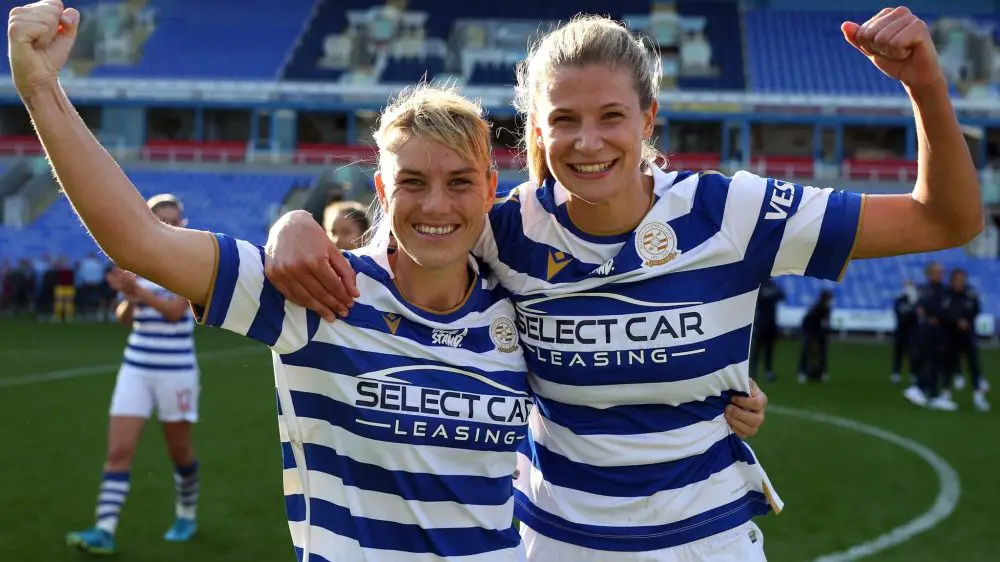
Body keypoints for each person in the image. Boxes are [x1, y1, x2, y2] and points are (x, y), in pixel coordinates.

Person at [262, 6, 983, 560]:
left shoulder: (730, 212)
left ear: (649, 120)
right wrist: (294, 225)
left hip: (708, 542)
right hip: (554, 543)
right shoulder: (507, 228)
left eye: (612, 117)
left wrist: (923, 82)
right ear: (537, 135)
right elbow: (410, 237)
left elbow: (945, 219)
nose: (589, 140)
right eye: (564, 121)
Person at [9, 7, 541, 558]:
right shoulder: (320, 290)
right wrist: (41, 87)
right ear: (381, 189)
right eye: (413, 181)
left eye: (459, 182)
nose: (436, 204)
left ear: (489, 188)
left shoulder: (526, 307)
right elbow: (140, 241)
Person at [65, 194, 202, 554]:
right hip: (137, 365)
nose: (169, 225)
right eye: (161, 219)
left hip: (176, 371)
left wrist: (136, 290)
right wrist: (128, 295)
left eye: (174, 219)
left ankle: (186, 513)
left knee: (180, 452)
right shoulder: (136, 264)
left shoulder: (190, 263)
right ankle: (104, 529)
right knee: (119, 449)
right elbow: (124, 318)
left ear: (183, 222)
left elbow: (175, 312)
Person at [904, 261, 957, 410]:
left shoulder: (942, 289)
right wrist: (936, 314)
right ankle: (920, 388)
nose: (941, 274)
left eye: (941, 272)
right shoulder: (927, 289)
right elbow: (926, 307)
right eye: (937, 272)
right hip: (928, 330)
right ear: (930, 273)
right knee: (930, 360)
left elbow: (940, 309)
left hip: (940, 329)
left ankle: (932, 393)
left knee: (937, 361)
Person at [942, 268, 989, 411]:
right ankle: (945, 395)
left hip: (968, 336)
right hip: (951, 335)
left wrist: (967, 320)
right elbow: (945, 312)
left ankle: (978, 397)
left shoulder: (970, 294)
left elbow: (975, 309)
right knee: (949, 366)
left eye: (962, 279)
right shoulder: (947, 294)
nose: (960, 282)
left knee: (974, 366)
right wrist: (957, 320)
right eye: (957, 279)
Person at [750, 278, 784, 382]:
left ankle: (768, 371)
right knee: (757, 349)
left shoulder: (770, 284)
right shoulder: (761, 284)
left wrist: (767, 296)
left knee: (768, 348)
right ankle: (753, 372)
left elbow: (781, 295)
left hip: (770, 322)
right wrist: (770, 296)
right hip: (761, 322)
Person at [797, 290, 833, 384]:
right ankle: (804, 372)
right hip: (810, 330)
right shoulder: (821, 308)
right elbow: (823, 322)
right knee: (808, 350)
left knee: (820, 351)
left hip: (816, 330)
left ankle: (820, 372)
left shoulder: (820, 307)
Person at [891, 280, 919, 384]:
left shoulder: (916, 300)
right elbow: (898, 313)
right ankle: (896, 373)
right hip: (901, 330)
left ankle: (913, 374)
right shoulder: (900, 299)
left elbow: (917, 315)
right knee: (898, 353)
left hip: (912, 331)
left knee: (913, 354)